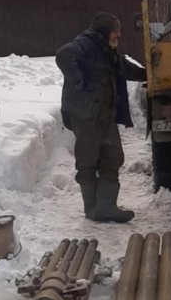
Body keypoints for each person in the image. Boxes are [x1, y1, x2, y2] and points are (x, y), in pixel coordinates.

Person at [56, 12, 147, 223]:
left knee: (113, 157)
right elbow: (63, 55)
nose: (120, 35)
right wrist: (79, 82)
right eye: (117, 31)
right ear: (107, 31)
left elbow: (122, 68)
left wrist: (146, 74)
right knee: (88, 160)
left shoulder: (107, 50)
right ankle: (93, 208)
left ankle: (106, 207)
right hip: (86, 116)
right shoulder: (86, 44)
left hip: (104, 115)